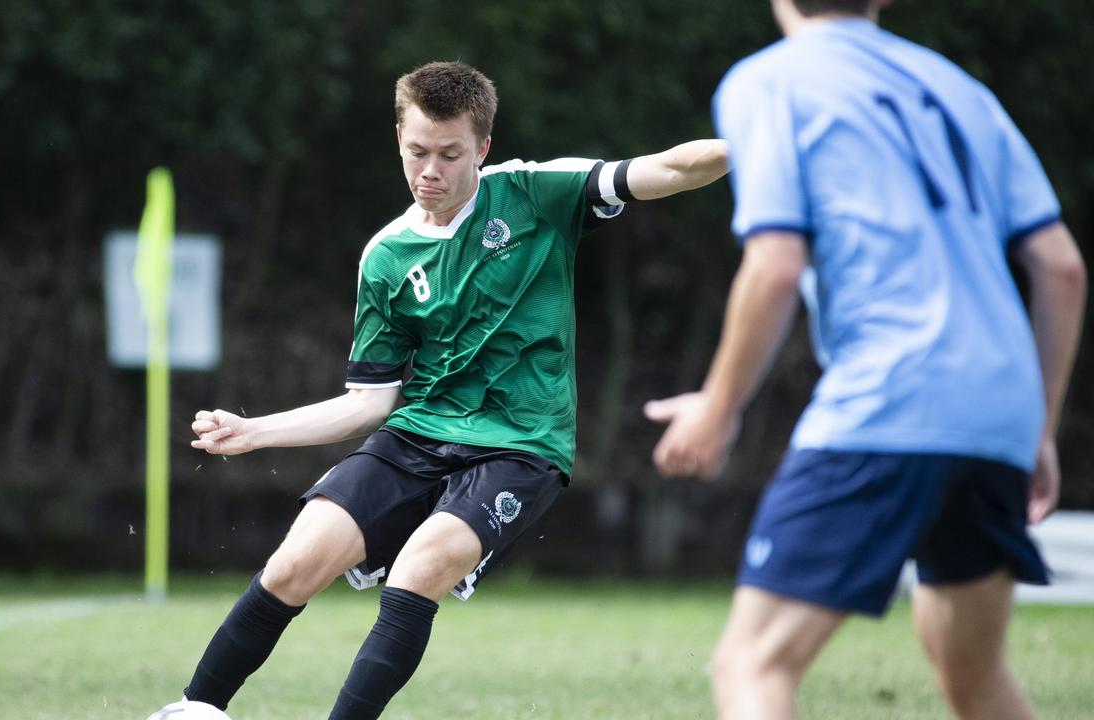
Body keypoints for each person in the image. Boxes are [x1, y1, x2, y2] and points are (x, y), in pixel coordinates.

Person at [148, 60, 730, 720]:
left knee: (417, 570)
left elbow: (672, 171)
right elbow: (370, 402)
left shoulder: (536, 194)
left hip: (521, 447)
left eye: (450, 154)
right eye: (416, 151)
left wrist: (755, 148)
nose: (430, 170)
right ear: (399, 140)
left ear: (482, 148)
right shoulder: (387, 256)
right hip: (417, 435)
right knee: (293, 564)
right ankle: (196, 711)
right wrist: (256, 431)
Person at [643, 1, 1085, 718]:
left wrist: (720, 407)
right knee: (973, 674)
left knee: (753, 664)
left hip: (892, 399)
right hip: (999, 409)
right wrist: (1035, 426)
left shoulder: (770, 81)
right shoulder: (959, 88)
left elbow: (776, 267)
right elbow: (1061, 269)